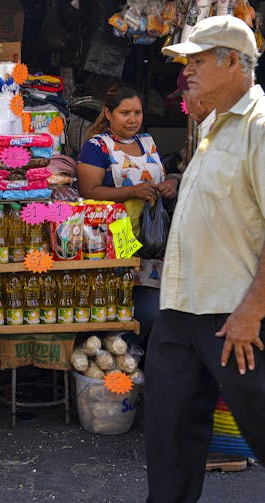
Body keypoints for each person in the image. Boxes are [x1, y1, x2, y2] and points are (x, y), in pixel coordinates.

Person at [145, 15, 265, 502]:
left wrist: (253, 309)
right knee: (169, 437)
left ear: (231, 61)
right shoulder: (214, 124)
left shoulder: (259, 127)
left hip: (235, 314)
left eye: (197, 60)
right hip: (180, 308)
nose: (187, 71)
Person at [76, 84, 178, 346]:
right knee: (118, 302)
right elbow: (89, 191)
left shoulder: (147, 142)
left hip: (150, 237)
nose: (133, 119)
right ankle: (114, 357)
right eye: (125, 113)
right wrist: (132, 191)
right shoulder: (96, 146)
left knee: (151, 307)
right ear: (108, 113)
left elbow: (160, 179)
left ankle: (136, 360)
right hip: (115, 236)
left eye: (138, 113)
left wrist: (168, 187)